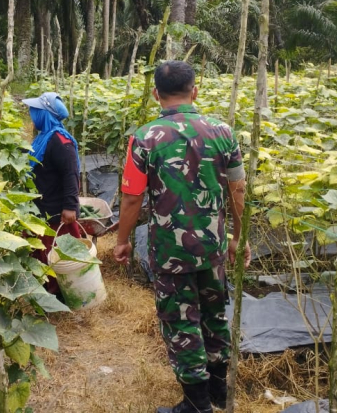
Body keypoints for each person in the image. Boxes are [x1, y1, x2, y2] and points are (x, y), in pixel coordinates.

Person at [113, 61, 250, 413]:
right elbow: (238, 190)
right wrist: (239, 236)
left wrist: (123, 240)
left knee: (180, 320)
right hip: (213, 245)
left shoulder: (144, 137)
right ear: (195, 90)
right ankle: (220, 390)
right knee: (214, 312)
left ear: (156, 93)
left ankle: (196, 403)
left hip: (172, 250)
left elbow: (132, 197)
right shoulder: (222, 131)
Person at [23, 92, 83, 295]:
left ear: (45, 114)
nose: (32, 115)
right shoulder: (43, 138)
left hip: (57, 212)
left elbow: (71, 175)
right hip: (41, 208)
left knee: (57, 255)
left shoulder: (60, 141)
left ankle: (62, 295)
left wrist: (70, 207)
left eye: (35, 111)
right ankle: (46, 292)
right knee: (42, 254)